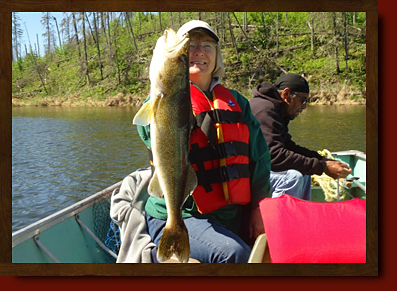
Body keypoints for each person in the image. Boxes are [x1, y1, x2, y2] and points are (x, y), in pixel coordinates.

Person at [135, 20, 272, 263]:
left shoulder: (238, 103)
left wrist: (257, 208)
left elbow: (260, 159)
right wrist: (158, 92)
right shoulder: (160, 101)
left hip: (230, 213)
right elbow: (146, 131)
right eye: (190, 46)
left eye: (207, 46)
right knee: (235, 254)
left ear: (217, 56)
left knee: (272, 245)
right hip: (182, 213)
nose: (198, 51)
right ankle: (169, 235)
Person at [249, 73, 352, 201]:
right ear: (286, 94)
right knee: (293, 177)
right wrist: (322, 167)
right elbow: (274, 156)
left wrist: (323, 160)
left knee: (305, 172)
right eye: (303, 100)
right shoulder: (265, 111)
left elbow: (288, 146)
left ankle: (299, 217)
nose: (304, 106)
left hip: (255, 170)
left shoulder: (274, 109)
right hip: (245, 175)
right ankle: (277, 219)